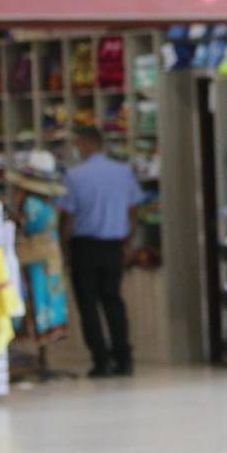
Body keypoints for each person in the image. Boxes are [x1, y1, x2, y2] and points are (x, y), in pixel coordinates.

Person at [58, 127, 145, 378]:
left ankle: (101, 360)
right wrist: (127, 242)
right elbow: (133, 211)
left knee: (88, 306)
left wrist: (65, 251)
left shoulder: (74, 176)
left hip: (85, 247)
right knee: (114, 301)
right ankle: (124, 358)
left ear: (86, 145)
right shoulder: (123, 172)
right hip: (114, 246)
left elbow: (68, 218)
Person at [5, 151, 69, 342]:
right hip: (51, 258)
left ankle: (38, 340)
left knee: (37, 298)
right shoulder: (49, 202)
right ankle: (44, 348)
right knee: (51, 298)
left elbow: (26, 228)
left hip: (34, 261)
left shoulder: (30, 204)